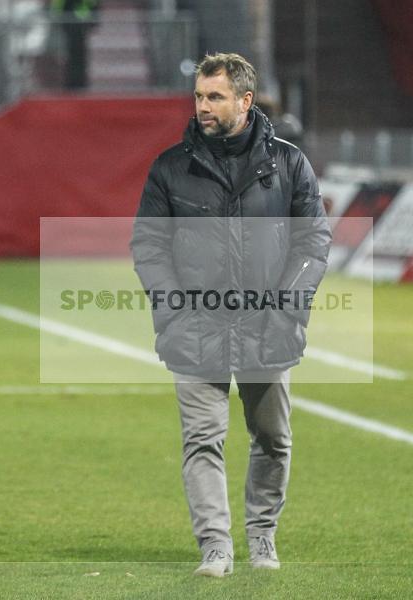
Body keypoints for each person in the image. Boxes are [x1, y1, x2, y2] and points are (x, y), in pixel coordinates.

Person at [131, 53, 330, 577]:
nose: (203, 106)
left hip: (269, 327)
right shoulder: (170, 167)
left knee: (272, 440)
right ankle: (215, 545)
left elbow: (314, 239)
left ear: (245, 101)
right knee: (202, 440)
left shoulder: (288, 164)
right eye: (199, 96)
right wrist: (173, 310)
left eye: (214, 96)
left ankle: (262, 536)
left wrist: (288, 309)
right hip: (196, 327)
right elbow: (149, 246)